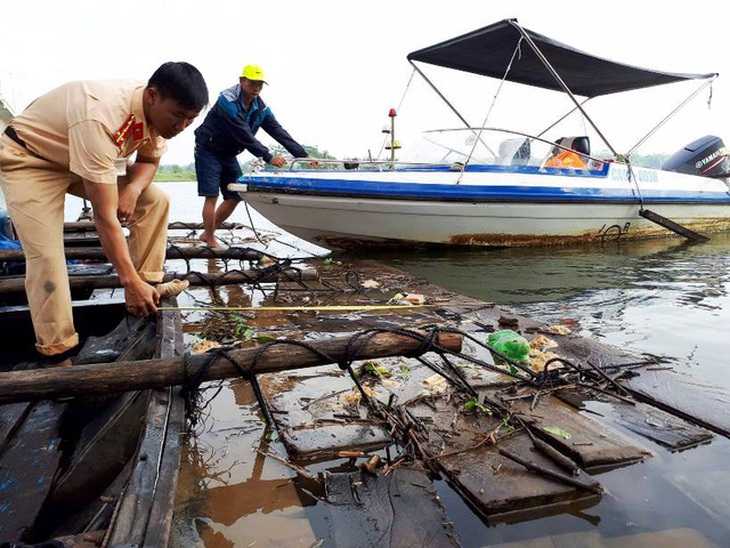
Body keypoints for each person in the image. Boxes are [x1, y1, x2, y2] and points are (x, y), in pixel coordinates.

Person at [0, 62, 209, 366]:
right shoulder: (102, 117)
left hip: (78, 158)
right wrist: (125, 279)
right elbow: (104, 216)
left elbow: (149, 162)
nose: (182, 126)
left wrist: (133, 190)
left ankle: (145, 289)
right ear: (152, 96)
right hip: (29, 158)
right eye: (178, 116)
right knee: (46, 257)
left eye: (191, 119)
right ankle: (58, 351)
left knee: (156, 201)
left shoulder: (158, 119)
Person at [194, 64, 311, 247]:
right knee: (212, 195)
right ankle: (210, 239)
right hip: (209, 150)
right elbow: (243, 134)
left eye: (260, 85)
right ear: (242, 81)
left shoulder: (260, 107)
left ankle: (208, 232)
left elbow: (278, 131)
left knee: (235, 196)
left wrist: (303, 156)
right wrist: (268, 157)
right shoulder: (228, 101)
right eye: (253, 84)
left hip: (229, 153)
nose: (256, 88)